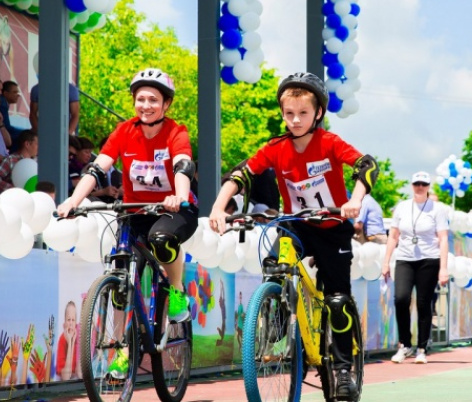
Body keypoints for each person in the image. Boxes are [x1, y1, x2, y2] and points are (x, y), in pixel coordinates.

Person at [208, 71, 378, 400]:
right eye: (289, 114)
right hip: (295, 225)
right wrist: (218, 206)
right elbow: (241, 174)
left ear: (318, 114)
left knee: (338, 300)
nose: (296, 120)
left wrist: (355, 200)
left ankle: (343, 370)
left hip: (331, 229)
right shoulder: (276, 147)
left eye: (303, 113)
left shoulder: (329, 142)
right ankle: (277, 319)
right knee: (274, 264)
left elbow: (366, 165)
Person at [57, 68, 199, 378]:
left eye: (153, 100)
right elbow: (97, 168)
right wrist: (73, 200)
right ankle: (121, 350)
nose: (146, 105)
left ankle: (175, 292)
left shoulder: (176, 131)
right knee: (120, 277)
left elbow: (182, 164)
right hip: (134, 212)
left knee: (163, 240)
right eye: (140, 99)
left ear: (166, 105)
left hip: (173, 210)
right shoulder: (124, 132)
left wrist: (179, 194)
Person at [381, 171, 449, 364]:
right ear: (412, 185)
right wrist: (386, 262)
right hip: (404, 258)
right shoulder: (402, 207)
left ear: (428, 187)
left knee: (423, 303)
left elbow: (443, 239)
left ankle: (422, 348)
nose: (420, 187)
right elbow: (393, 236)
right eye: (416, 184)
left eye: (424, 184)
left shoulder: (437, 209)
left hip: (429, 259)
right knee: (401, 299)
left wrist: (443, 267)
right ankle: (405, 344)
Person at [55, 301, 80, 381]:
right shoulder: (62, 340)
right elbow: (66, 377)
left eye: (73, 320)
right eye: (69, 320)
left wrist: (74, 342)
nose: (71, 323)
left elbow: (80, 374)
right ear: (64, 322)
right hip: (63, 382)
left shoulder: (79, 339)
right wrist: (70, 343)